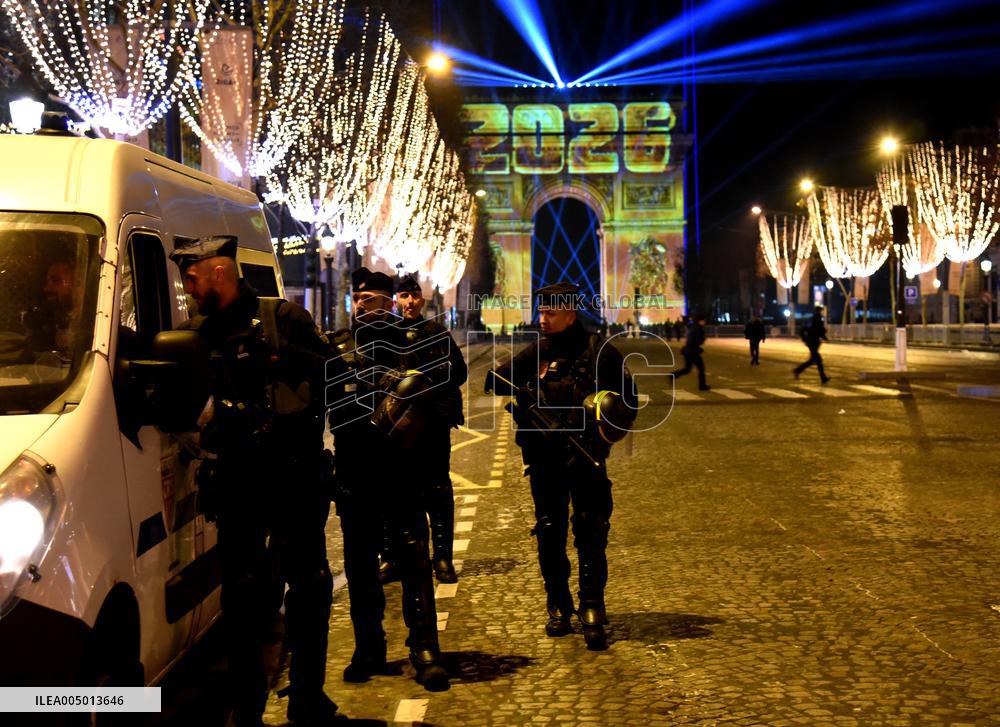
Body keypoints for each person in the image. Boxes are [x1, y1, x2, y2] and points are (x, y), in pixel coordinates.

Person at [169, 236, 340, 726]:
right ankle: (247, 707)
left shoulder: (283, 320)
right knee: (243, 600)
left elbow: (333, 376)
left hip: (294, 480)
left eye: (193, 278)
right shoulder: (195, 334)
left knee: (307, 590)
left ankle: (308, 697)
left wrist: (282, 364)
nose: (188, 288)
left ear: (218, 273)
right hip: (240, 486)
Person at [485, 282, 638, 651]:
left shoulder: (599, 352)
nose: (542, 319)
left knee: (591, 530)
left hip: (586, 456)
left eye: (550, 313)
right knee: (550, 533)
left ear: (571, 314)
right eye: (541, 312)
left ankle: (592, 607)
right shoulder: (536, 351)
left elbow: (628, 404)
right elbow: (494, 380)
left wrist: (600, 439)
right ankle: (559, 606)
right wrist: (520, 391)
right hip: (544, 459)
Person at [328, 267, 449, 692]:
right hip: (356, 472)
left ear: (390, 303)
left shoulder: (416, 346)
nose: (368, 307)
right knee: (360, 569)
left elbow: (445, 401)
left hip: (403, 470)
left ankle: (426, 649)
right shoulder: (335, 347)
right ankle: (369, 649)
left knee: (415, 558)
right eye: (361, 299)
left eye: (377, 300)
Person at [378, 274, 467, 585]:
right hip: (395, 427)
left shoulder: (436, 332)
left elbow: (459, 371)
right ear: (396, 300)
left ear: (422, 299)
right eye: (404, 296)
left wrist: (422, 376)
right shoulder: (385, 334)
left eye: (414, 296)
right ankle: (392, 557)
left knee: (438, 490)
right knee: (393, 493)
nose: (410, 302)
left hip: (431, 424)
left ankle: (442, 557)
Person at [794, 306, 831, 383]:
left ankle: (797, 370)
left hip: (811, 342)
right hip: (813, 342)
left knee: (812, 360)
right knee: (818, 360)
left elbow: (802, 330)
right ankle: (823, 378)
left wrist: (805, 339)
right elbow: (819, 331)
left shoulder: (810, 319)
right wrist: (825, 337)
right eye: (821, 311)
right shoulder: (817, 319)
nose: (821, 313)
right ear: (819, 311)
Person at [674, 314, 710, 391]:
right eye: (704, 321)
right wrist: (700, 345)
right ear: (701, 321)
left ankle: (674, 375)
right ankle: (702, 386)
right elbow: (697, 341)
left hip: (689, 351)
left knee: (687, 369)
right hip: (693, 352)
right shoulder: (698, 329)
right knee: (701, 368)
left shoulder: (694, 327)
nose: (705, 322)